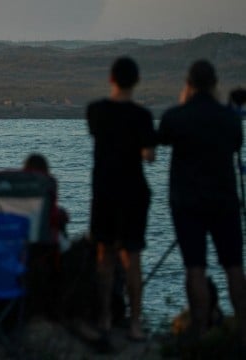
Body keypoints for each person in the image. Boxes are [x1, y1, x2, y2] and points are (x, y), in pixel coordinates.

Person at [157, 60, 246, 344]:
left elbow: (162, 140)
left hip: (188, 203)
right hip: (225, 202)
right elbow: (235, 144)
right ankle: (243, 331)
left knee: (195, 268)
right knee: (233, 267)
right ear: (215, 84)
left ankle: (200, 333)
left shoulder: (175, 117)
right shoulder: (230, 119)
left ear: (189, 84)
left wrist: (185, 102)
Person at [86, 56, 156, 342]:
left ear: (111, 79)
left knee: (104, 257)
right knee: (132, 258)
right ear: (136, 81)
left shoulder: (95, 111)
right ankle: (135, 323)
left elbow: (98, 137)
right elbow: (149, 156)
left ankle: (104, 318)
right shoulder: (142, 116)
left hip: (104, 190)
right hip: (134, 192)